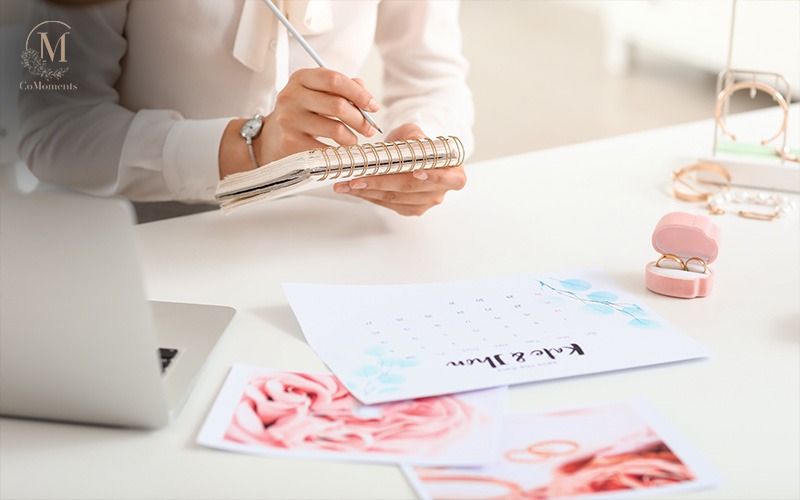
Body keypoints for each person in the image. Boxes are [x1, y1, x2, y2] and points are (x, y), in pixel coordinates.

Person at [17, 0, 474, 217]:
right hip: (124, 242)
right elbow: (52, 127)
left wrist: (423, 150)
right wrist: (250, 149)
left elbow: (433, 78)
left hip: (309, 233)